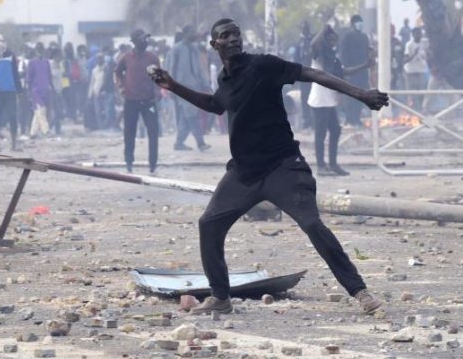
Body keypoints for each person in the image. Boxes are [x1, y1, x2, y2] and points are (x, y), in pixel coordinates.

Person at [148, 18, 389, 315]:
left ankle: (360, 291)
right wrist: (172, 85)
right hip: (244, 172)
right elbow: (215, 105)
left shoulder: (263, 66)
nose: (234, 39)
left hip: (282, 167)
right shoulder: (226, 80)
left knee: (313, 225)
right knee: (209, 224)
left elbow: (312, 73)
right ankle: (220, 297)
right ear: (215, 45)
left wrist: (361, 94)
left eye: (237, 34)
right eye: (226, 36)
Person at [307, 25, 371, 176]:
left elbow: (343, 71)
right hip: (320, 100)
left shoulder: (332, 58)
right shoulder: (319, 54)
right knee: (320, 134)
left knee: (335, 130)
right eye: (331, 41)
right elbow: (316, 44)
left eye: (335, 41)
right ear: (325, 41)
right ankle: (321, 167)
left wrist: (365, 66)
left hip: (329, 100)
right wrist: (325, 30)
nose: (334, 44)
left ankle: (333, 164)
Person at [116, 29, 161, 174]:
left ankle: (153, 164)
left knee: (153, 132)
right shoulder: (126, 58)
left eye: (146, 39)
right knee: (129, 132)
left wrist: (158, 91)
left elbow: (158, 77)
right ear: (135, 42)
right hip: (131, 101)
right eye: (142, 39)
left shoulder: (153, 58)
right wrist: (122, 87)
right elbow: (117, 72)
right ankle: (129, 161)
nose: (146, 41)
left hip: (149, 101)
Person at [168, 25, 210, 151]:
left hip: (195, 86)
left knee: (186, 117)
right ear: (186, 33)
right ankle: (200, 143)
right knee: (192, 116)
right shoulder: (176, 49)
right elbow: (171, 69)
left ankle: (179, 143)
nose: (195, 34)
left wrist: (205, 83)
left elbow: (199, 68)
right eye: (192, 32)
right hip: (182, 87)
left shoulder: (195, 49)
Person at [339, 14, 371, 127]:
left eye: (361, 21)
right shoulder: (347, 36)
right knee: (350, 96)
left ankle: (357, 118)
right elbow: (343, 53)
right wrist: (346, 70)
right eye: (358, 22)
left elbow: (367, 53)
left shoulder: (364, 37)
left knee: (361, 96)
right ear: (352, 24)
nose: (360, 24)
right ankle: (350, 119)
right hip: (351, 71)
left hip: (363, 72)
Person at [26, 42, 53, 137]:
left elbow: (49, 76)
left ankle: (32, 133)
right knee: (41, 110)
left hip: (45, 89)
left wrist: (51, 87)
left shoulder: (46, 62)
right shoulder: (32, 62)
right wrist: (29, 92)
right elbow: (29, 78)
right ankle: (46, 130)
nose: (40, 51)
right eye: (38, 49)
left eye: (41, 49)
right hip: (36, 90)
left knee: (37, 112)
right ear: (36, 50)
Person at [403, 26, 429, 111]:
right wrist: (414, 54)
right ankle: (413, 111)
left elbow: (428, 55)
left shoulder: (425, 43)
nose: (418, 35)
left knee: (421, 92)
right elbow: (405, 60)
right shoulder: (409, 45)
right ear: (413, 35)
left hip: (422, 71)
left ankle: (420, 110)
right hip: (411, 71)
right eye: (416, 33)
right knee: (412, 93)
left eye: (420, 33)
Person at [296, 20, 314, 129]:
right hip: (303, 74)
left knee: (311, 97)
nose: (304, 30)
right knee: (304, 98)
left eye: (306, 28)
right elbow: (296, 59)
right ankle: (307, 120)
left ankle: (312, 121)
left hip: (312, 73)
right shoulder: (300, 43)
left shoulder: (312, 41)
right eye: (303, 28)